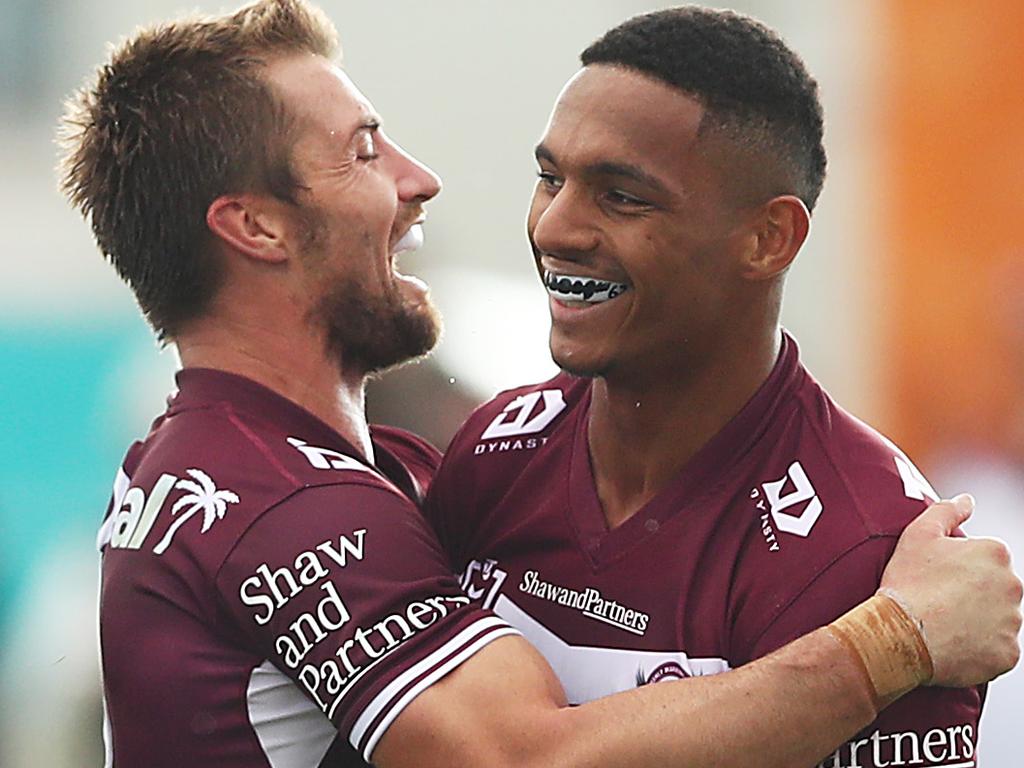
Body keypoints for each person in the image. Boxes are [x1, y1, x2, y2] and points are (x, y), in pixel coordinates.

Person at [58, 1, 1019, 767]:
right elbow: (518, 759)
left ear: (768, 238)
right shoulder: (314, 499)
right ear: (255, 230)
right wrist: (890, 643)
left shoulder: (863, 535)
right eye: (361, 151)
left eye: (621, 193)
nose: (420, 178)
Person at [424, 7, 1022, 768]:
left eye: (622, 196)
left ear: (769, 239)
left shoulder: (872, 553)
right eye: (550, 178)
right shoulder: (494, 452)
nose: (555, 228)